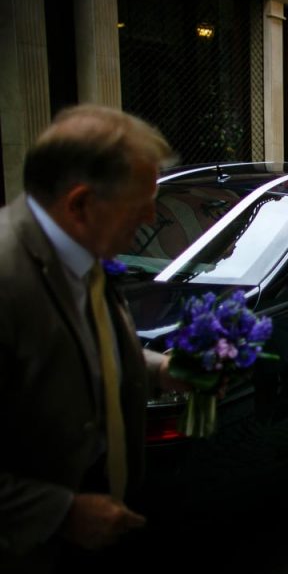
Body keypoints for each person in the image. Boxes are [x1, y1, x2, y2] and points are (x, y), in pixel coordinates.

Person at [0, 104, 185, 573]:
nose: (150, 215)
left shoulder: (83, 248)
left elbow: (89, 346)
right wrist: (59, 513)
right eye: (140, 201)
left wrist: (162, 370)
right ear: (80, 204)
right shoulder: (6, 274)